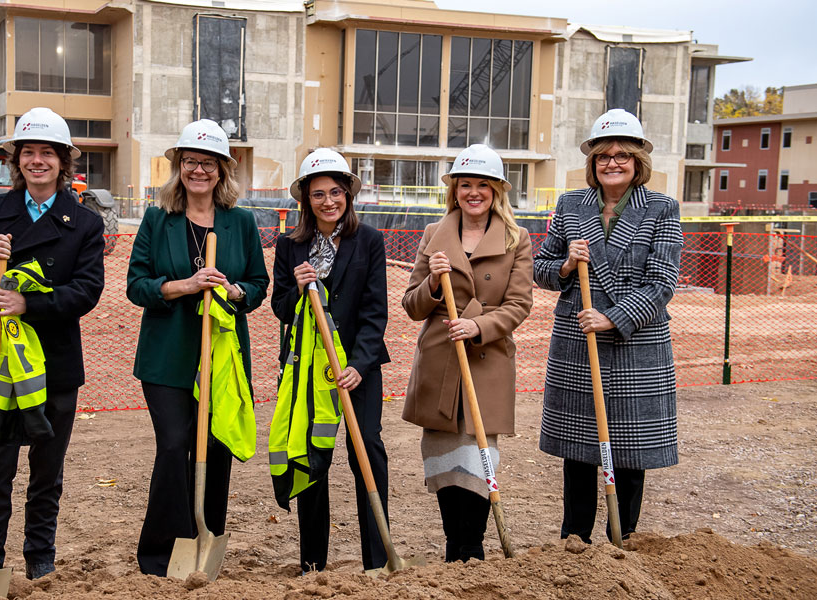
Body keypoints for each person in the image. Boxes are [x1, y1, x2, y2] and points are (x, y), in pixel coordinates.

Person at [0, 106, 105, 579]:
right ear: (17, 161)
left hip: (54, 366)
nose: (38, 162)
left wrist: (28, 305)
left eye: (48, 154)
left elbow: (87, 291)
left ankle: (40, 556)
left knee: (46, 471)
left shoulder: (83, 222)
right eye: (29, 153)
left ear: (63, 161)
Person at [127, 119, 269, 576]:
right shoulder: (157, 218)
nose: (198, 170)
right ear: (179, 167)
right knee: (174, 446)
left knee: (215, 447)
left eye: (208, 163)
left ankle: (204, 539)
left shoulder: (241, 222)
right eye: (190, 161)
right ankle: (159, 552)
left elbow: (259, 285)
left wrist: (233, 292)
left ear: (222, 169)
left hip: (222, 356)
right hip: (167, 356)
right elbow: (136, 285)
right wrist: (184, 286)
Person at [533, 108, 683, 544]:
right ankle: (575, 544)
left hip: (634, 345)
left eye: (621, 155)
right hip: (578, 344)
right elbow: (540, 270)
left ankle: (624, 542)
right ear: (592, 163)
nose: (612, 163)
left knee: (629, 454)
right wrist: (565, 264)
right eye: (603, 156)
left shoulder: (662, 208)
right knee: (579, 454)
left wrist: (613, 317)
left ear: (638, 162)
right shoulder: (570, 205)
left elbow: (662, 281)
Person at [401, 144, 533, 562]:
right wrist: (435, 284)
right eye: (465, 185)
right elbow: (411, 305)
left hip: (486, 360)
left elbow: (519, 304)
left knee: (478, 457)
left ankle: (471, 549)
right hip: (441, 361)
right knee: (445, 459)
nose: (473, 192)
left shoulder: (517, 238)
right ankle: (452, 549)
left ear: (497, 191)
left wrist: (478, 325)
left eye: (483, 185)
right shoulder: (433, 236)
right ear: (454, 190)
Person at [270, 148, 391, 573]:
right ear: (305, 199)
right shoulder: (290, 246)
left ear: (348, 195)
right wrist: (297, 289)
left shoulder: (370, 241)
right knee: (312, 452)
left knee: (368, 451)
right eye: (318, 194)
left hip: (357, 367)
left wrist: (360, 364)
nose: (328, 201)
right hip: (307, 366)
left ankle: (378, 558)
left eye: (335, 192)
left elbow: (376, 311)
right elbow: (280, 309)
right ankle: (312, 562)